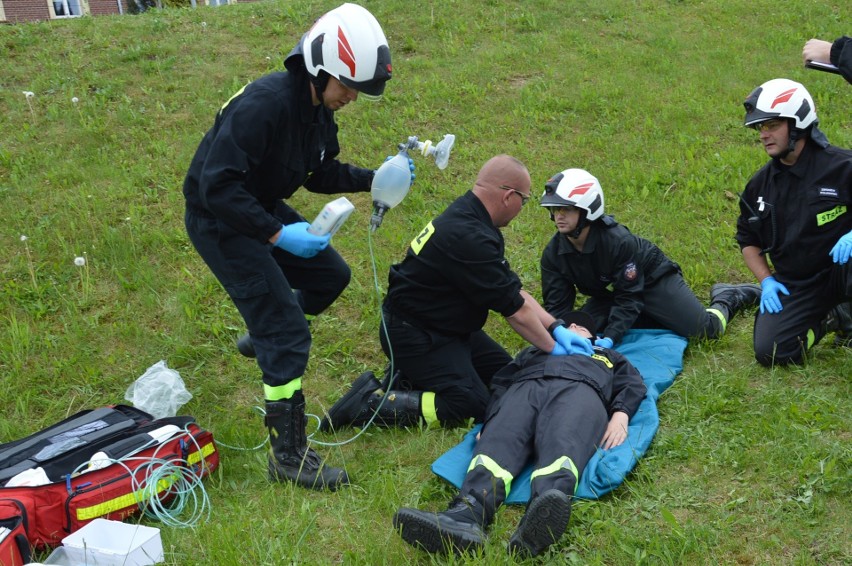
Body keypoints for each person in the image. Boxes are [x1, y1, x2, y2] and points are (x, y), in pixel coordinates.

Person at [182, 3, 395, 491]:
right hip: (218, 219)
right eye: (347, 86)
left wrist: (374, 179)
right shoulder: (266, 103)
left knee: (330, 276)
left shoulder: (315, 108)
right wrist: (277, 234)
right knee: (288, 331)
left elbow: (318, 170)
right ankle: (289, 456)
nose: (351, 98)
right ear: (319, 70)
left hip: (256, 204)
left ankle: (263, 336)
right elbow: (217, 188)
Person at [320, 155, 595, 432]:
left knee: (506, 377)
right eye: (523, 201)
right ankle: (371, 404)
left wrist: (556, 326)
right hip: (416, 336)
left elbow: (514, 290)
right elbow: (515, 311)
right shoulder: (469, 235)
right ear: (509, 196)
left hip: (447, 327)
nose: (521, 208)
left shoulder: (470, 216)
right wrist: (553, 348)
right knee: (472, 405)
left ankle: (407, 379)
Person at [392, 311, 646, 558]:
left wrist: (621, 414)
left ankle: (541, 515)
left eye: (581, 327)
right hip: (525, 388)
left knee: (563, 440)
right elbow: (502, 383)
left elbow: (632, 383)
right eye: (567, 325)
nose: (573, 328)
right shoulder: (534, 351)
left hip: (580, 390)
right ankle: (467, 512)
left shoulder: (608, 355)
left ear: (592, 336)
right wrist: (490, 422)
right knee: (499, 442)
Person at [539, 168, 761, 349]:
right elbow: (557, 308)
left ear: (588, 209)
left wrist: (611, 338)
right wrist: (561, 332)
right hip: (613, 293)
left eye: (566, 209)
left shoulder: (619, 242)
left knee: (704, 330)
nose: (559, 215)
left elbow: (629, 297)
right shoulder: (553, 255)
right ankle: (645, 317)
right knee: (581, 328)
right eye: (555, 208)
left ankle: (728, 296)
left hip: (654, 282)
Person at [737, 78, 852, 366]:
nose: (763, 134)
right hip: (797, 284)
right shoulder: (759, 186)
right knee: (772, 351)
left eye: (772, 125)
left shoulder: (843, 167)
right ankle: (833, 318)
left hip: (842, 271)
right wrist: (766, 281)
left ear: (798, 123)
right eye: (761, 127)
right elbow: (748, 241)